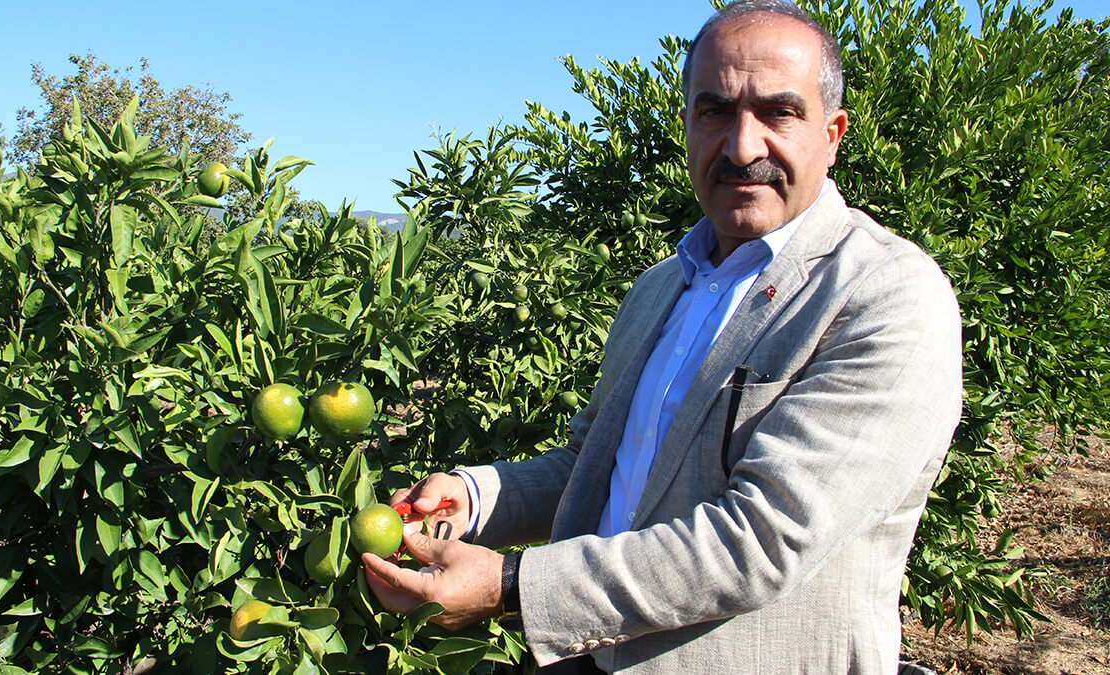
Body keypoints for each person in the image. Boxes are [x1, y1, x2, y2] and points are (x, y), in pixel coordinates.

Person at [362, 1, 962, 673]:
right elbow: (594, 467)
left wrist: (511, 586)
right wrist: (471, 497)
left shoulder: (884, 295)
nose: (741, 146)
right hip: (593, 657)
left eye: (778, 112)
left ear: (833, 133)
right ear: (687, 126)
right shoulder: (660, 289)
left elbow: (762, 541)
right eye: (714, 111)